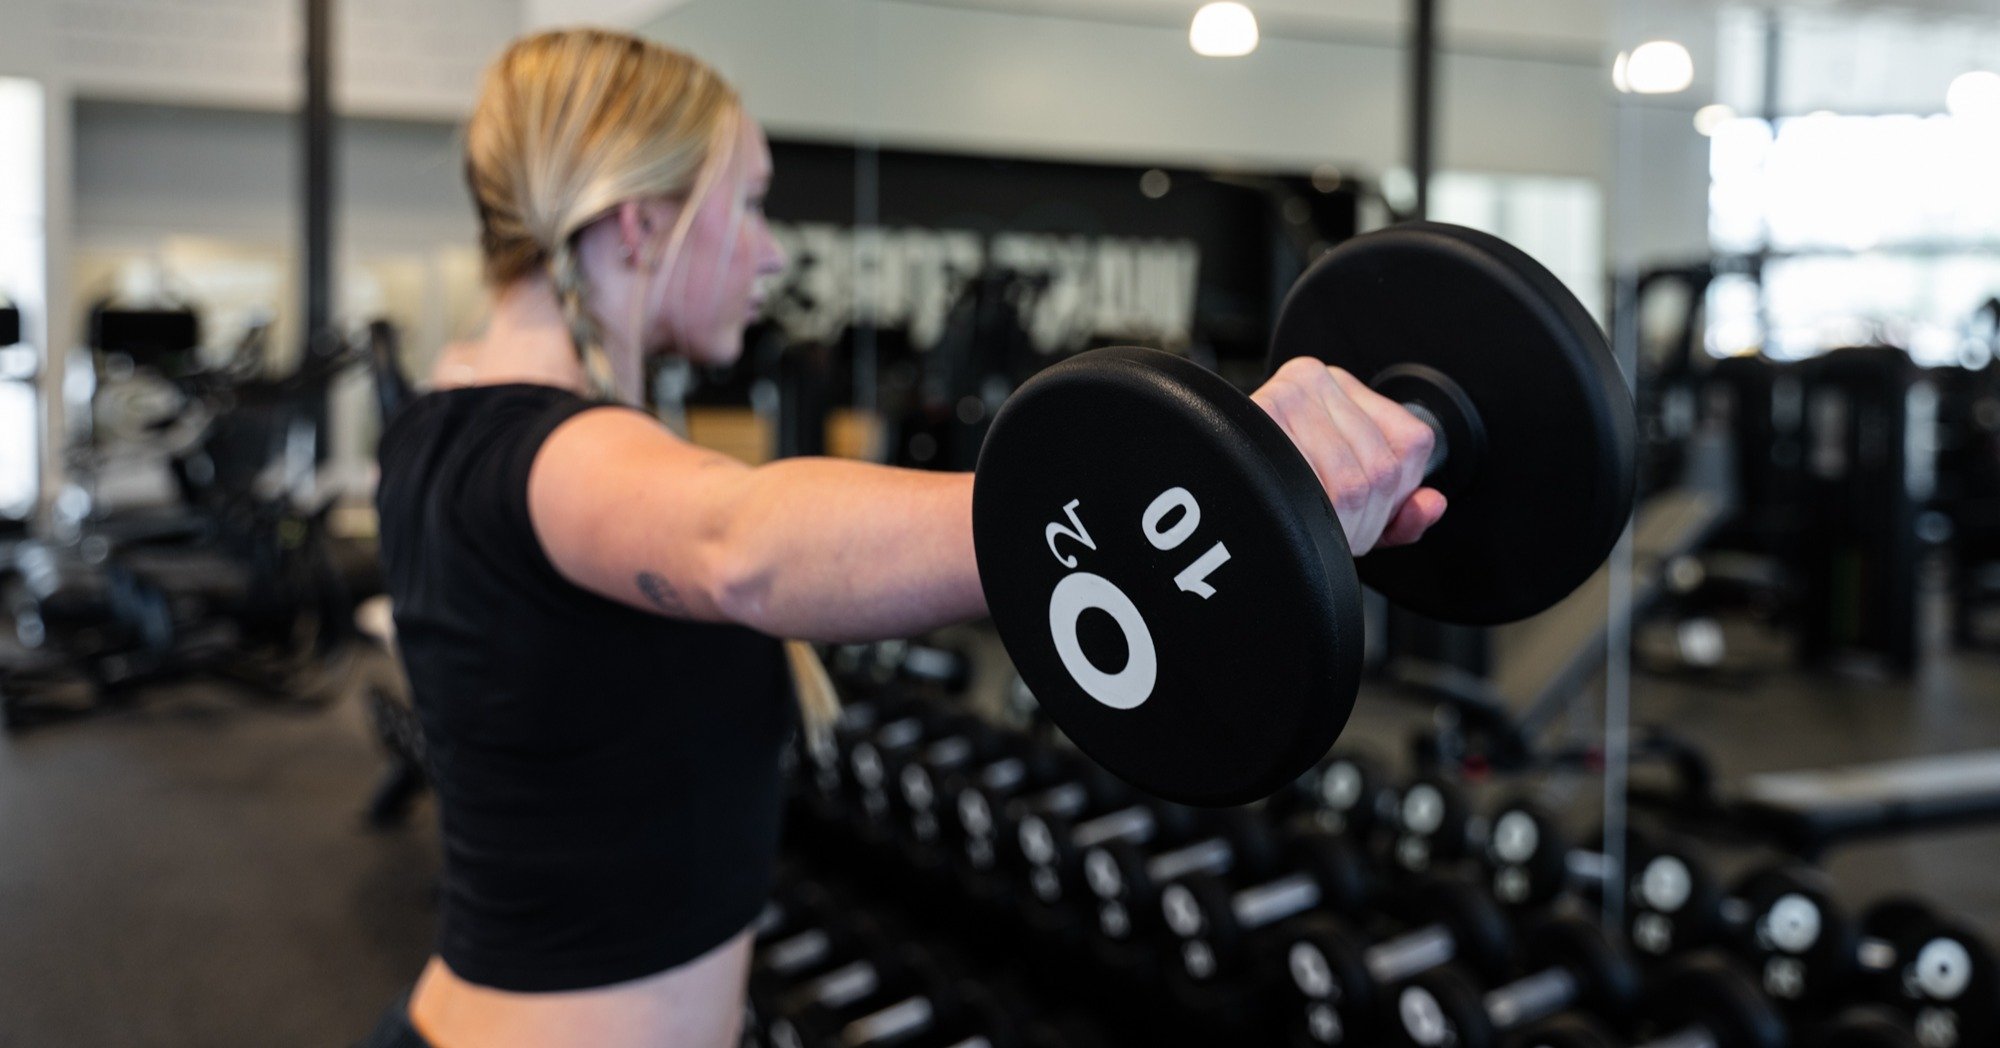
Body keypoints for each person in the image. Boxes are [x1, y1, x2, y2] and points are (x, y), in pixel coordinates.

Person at [359, 26, 1445, 1048]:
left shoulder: (442, 417)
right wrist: (1148, 504)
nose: (770, 253)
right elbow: (740, 544)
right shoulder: (547, 453)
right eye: (747, 203)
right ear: (637, 224)